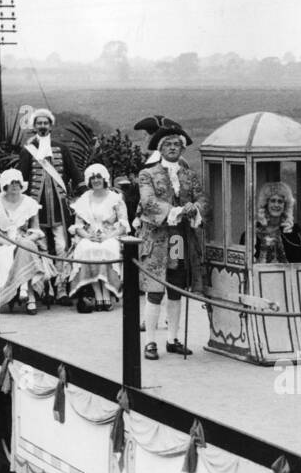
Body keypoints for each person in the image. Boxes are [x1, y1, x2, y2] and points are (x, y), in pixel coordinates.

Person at [136, 120, 208, 360]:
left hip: (179, 240)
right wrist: (175, 211)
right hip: (157, 239)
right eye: (168, 144)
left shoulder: (189, 175)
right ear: (160, 148)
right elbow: (147, 202)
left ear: (182, 149)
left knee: (176, 287)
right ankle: (150, 342)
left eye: (177, 144)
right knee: (155, 290)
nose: (173, 148)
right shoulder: (147, 174)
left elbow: (202, 200)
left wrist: (193, 208)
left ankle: (173, 339)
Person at [18, 107, 77, 302]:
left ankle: (61, 287)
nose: (42, 126)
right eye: (39, 123)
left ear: (51, 125)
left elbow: (76, 174)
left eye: (45, 123)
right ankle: (44, 289)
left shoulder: (62, 148)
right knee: (41, 247)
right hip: (37, 207)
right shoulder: (28, 151)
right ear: (34, 127)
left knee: (61, 246)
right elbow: (21, 178)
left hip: (59, 207)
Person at [0, 168, 53, 314]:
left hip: (25, 240)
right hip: (3, 243)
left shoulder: (30, 203)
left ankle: (28, 293)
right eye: (11, 183)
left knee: (26, 247)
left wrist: (24, 239)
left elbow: (36, 231)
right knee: (8, 255)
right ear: (5, 185)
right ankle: (23, 293)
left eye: (17, 182)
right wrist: (9, 242)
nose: (14, 186)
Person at [68, 163, 129, 313]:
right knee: (87, 248)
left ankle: (107, 292)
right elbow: (78, 226)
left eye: (99, 177)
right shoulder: (84, 199)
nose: (96, 180)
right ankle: (98, 293)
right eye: (93, 178)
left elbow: (123, 225)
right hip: (90, 235)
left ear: (105, 179)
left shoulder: (116, 198)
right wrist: (88, 236)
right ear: (89, 180)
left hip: (111, 235)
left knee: (108, 249)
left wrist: (109, 235)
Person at [247, 182, 301, 263]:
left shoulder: (293, 231)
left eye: (280, 201)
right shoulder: (252, 232)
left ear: (285, 205)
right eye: (273, 201)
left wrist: (289, 234)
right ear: (266, 204)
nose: (276, 205)